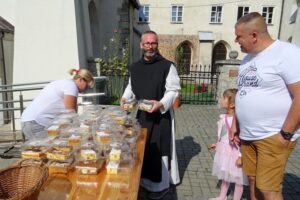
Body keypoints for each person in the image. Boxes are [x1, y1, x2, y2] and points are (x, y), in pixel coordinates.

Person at [234, 12, 300, 200]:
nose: (236, 40)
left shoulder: (287, 53)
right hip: (248, 135)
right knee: (253, 181)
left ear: (254, 35)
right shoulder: (247, 59)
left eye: (239, 36)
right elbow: (243, 94)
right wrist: (237, 126)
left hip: (272, 135)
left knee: (268, 189)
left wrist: (285, 134)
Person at [121, 30, 181, 199]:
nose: (150, 46)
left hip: (161, 116)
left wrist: (161, 103)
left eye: (153, 43)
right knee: (143, 147)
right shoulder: (135, 67)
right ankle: (144, 183)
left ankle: (160, 187)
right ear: (141, 45)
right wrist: (125, 98)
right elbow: (131, 87)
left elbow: (173, 90)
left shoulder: (167, 66)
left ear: (157, 44)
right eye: (147, 43)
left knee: (160, 147)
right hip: (142, 115)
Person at [21, 68, 94, 139]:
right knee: (51, 149)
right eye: (87, 86)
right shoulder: (71, 86)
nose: (86, 89)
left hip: (30, 121)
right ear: (80, 79)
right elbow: (71, 114)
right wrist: (83, 132)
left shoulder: (64, 83)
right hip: (36, 124)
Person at [209, 89, 248, 200]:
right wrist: (217, 144)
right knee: (225, 175)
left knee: (239, 179)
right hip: (225, 151)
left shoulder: (238, 121)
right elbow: (224, 135)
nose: (221, 100)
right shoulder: (224, 117)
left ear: (232, 105)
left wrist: (241, 157)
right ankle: (222, 196)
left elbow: (242, 141)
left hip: (236, 153)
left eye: (224, 98)